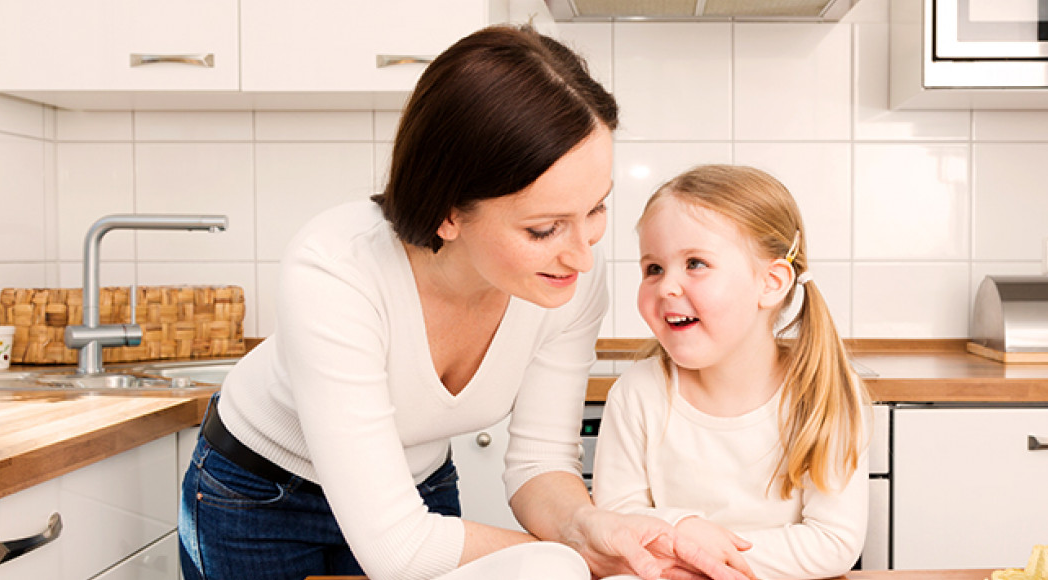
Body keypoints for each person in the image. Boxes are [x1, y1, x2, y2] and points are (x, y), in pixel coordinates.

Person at [178, 25, 745, 580]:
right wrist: (572, 557)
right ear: (449, 213)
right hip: (256, 497)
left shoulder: (564, 283)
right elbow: (397, 550)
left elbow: (540, 463)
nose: (582, 257)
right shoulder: (337, 268)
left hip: (415, 491)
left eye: (595, 209)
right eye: (546, 228)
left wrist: (590, 526)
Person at [593, 165, 872, 580]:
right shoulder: (637, 393)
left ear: (771, 283)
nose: (667, 286)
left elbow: (832, 543)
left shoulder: (823, 393)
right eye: (653, 268)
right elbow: (616, 518)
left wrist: (695, 553)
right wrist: (685, 531)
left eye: (695, 263)